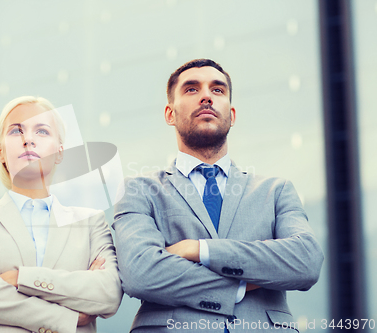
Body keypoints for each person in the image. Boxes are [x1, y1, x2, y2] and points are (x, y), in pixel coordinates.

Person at [112, 59, 324, 332]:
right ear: (170, 114)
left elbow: (305, 261)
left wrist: (200, 249)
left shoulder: (276, 190)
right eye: (191, 89)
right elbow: (140, 273)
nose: (206, 96)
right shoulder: (139, 189)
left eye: (217, 90)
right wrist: (243, 283)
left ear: (232, 115)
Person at [0, 96, 122, 333]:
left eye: (41, 131)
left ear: (60, 152)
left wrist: (19, 278)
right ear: (0, 151)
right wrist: (68, 318)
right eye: (16, 131)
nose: (28, 139)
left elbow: (108, 295)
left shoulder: (91, 222)